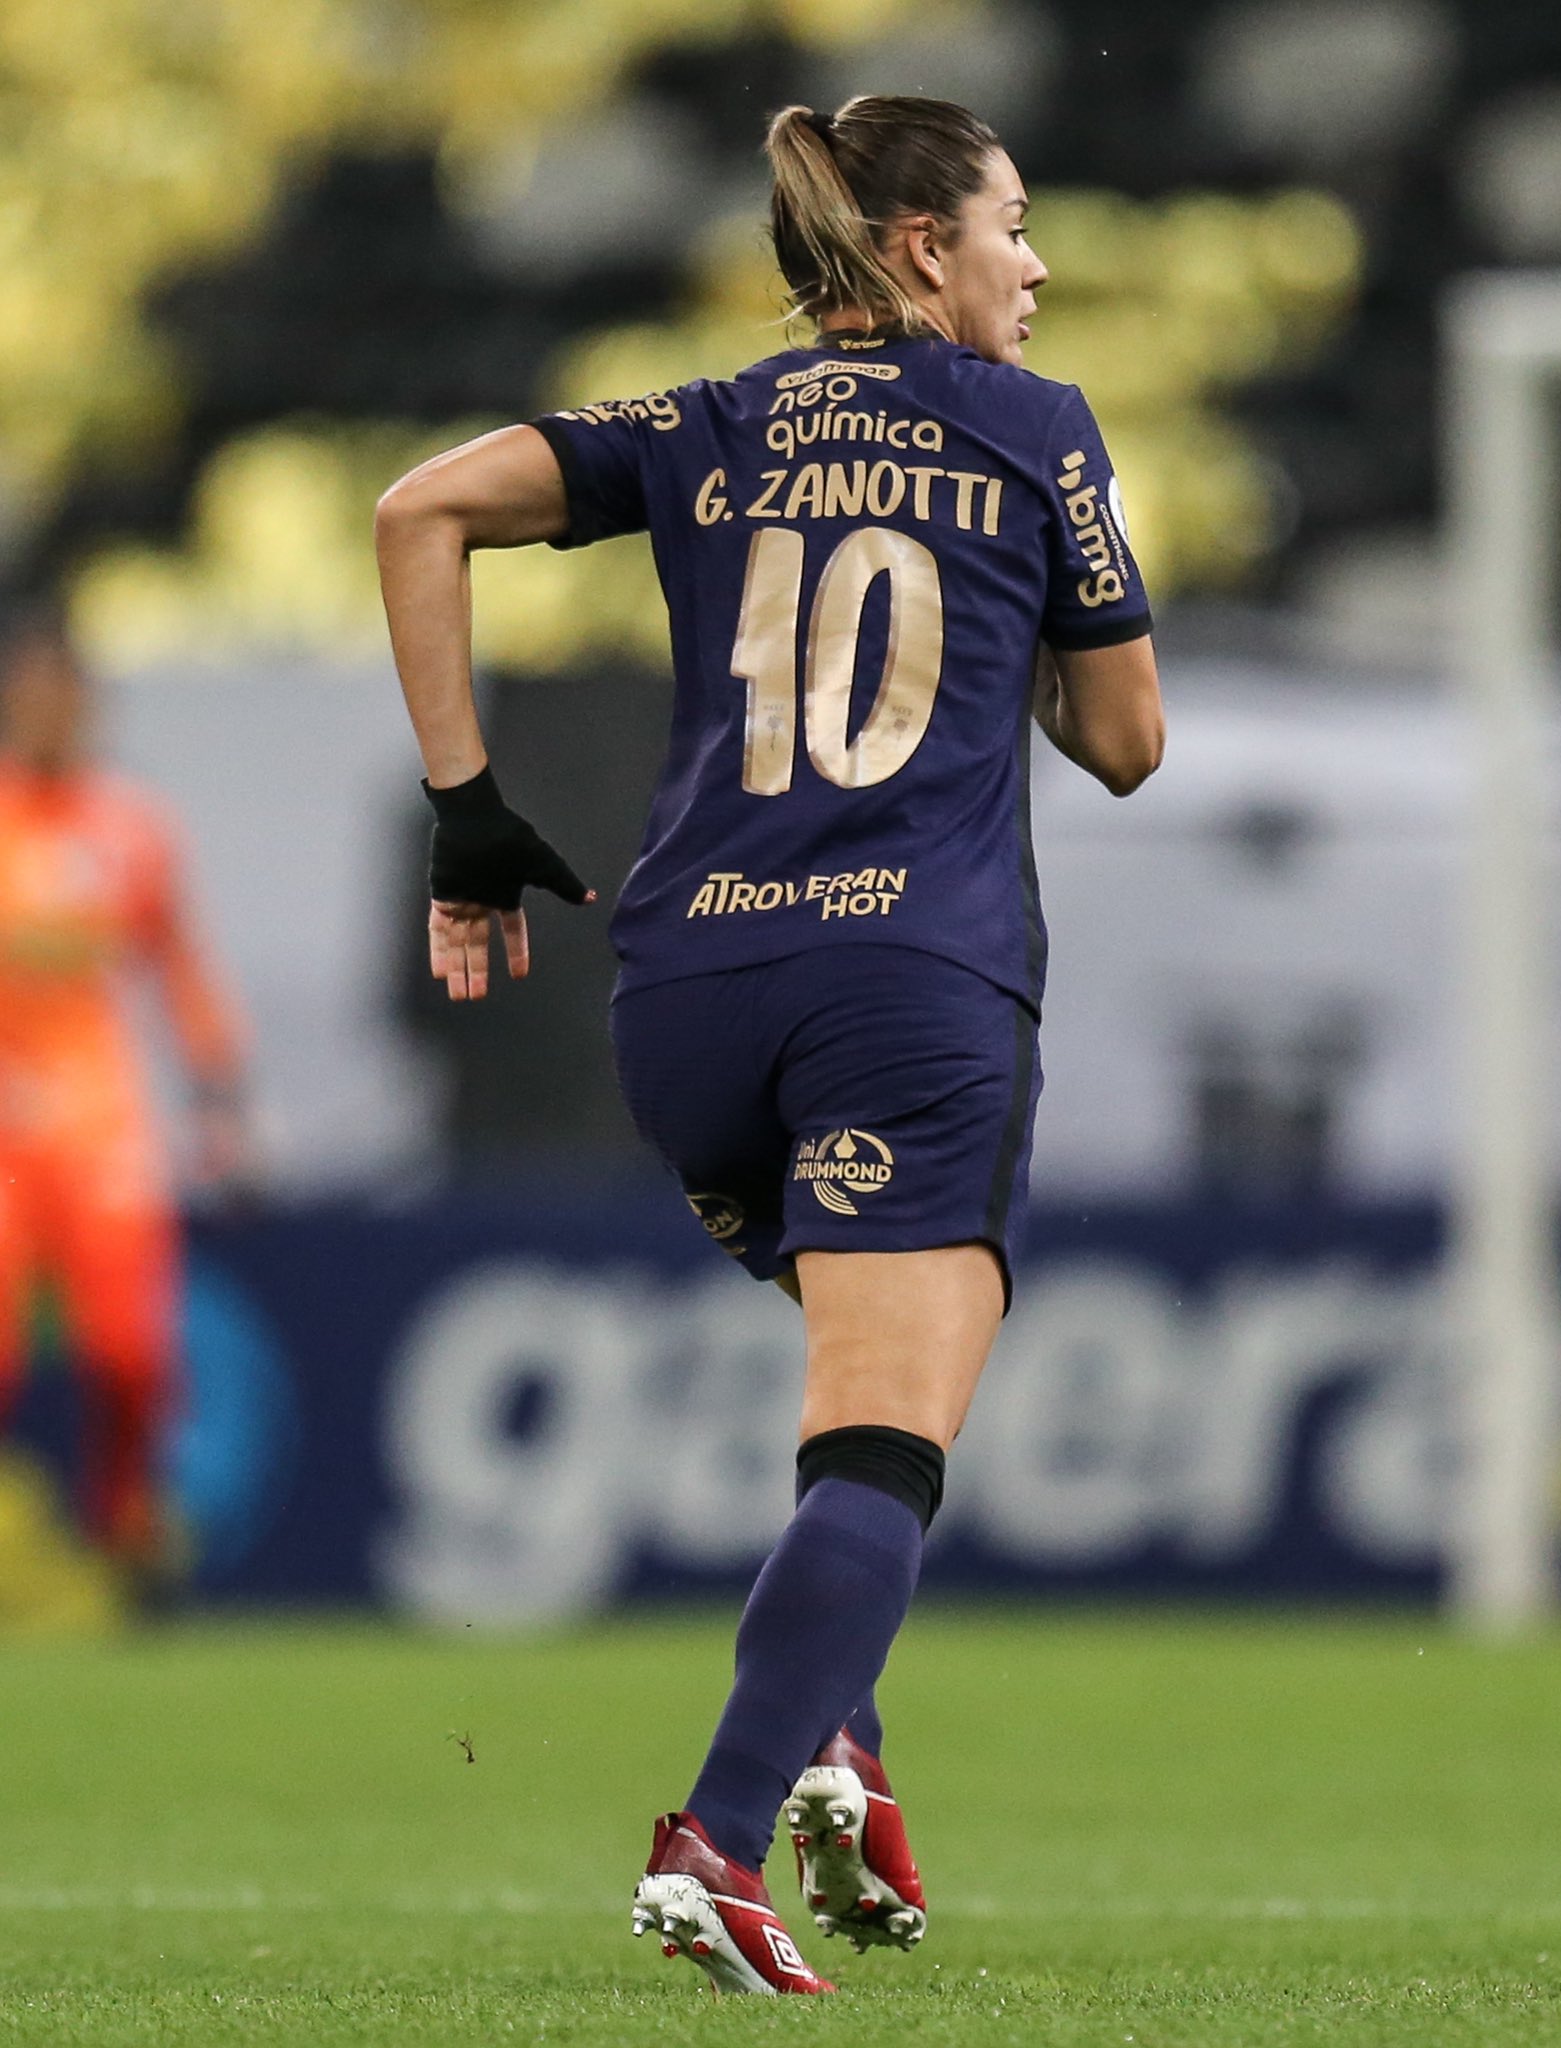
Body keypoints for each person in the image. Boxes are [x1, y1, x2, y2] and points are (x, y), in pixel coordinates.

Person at [375, 94, 1164, 1995]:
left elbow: (419, 511)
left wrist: (468, 812)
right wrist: (1024, 629)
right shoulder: (1032, 426)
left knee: (845, 1405)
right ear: (921, 251)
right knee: (888, 1441)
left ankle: (842, 1736)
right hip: (909, 988)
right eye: (1011, 227)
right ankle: (716, 1837)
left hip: (687, 999)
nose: (1034, 265)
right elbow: (1128, 744)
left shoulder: (703, 424)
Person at [0, 608, 250, 1600]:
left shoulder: (132, 828)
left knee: (130, 1350)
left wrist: (219, 1090)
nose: (55, 710)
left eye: (70, 692)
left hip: (104, 1116)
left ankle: (121, 1519)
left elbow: (179, 969)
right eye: (36, 691)